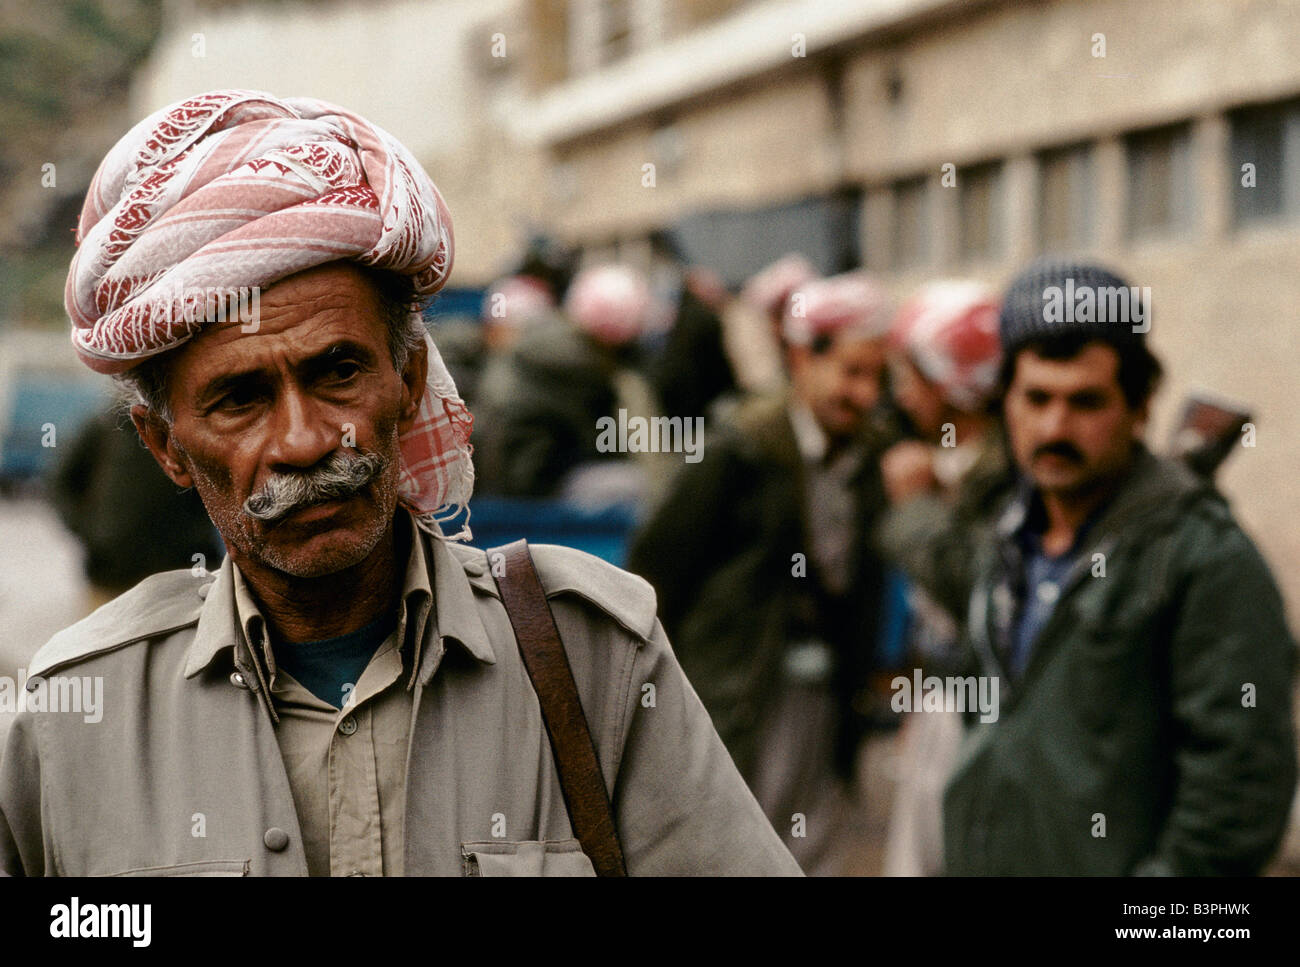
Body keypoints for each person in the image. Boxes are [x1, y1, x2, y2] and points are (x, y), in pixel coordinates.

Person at [0, 90, 800, 877]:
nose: (306, 441)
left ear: (409, 379)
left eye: (338, 371)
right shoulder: (72, 720)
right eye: (239, 399)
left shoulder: (593, 659)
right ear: (165, 445)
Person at [939, 257, 1296, 875]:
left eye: (1087, 402)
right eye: (1037, 398)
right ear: (1006, 403)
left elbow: (1240, 787)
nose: (1055, 427)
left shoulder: (1204, 557)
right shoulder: (1004, 540)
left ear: (1139, 406)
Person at [628, 271, 895, 874]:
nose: (864, 394)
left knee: (811, 846)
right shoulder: (743, 447)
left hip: (822, 692)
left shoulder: (870, 455)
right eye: (852, 372)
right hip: (741, 687)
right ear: (802, 359)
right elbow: (658, 562)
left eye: (877, 378)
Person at [872, 280, 1012, 876]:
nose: (900, 395)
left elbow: (975, 592)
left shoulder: (1002, 475)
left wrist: (914, 510)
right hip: (942, 700)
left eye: (911, 375)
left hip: (983, 712)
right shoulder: (946, 460)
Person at [472, 263, 657, 502]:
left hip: (501, 476)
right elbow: (603, 443)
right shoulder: (582, 366)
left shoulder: (546, 344)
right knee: (635, 485)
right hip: (529, 485)